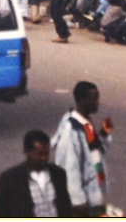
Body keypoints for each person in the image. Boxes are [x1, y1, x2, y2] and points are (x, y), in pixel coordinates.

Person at [50, 81, 113, 216]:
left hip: (92, 195)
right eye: (94, 98)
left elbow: (94, 152)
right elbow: (69, 169)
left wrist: (103, 133)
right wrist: (78, 202)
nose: (98, 102)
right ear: (82, 100)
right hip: (80, 203)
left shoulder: (86, 123)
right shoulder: (71, 131)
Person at [0, 129, 73, 218]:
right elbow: (1, 213)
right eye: (39, 154)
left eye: (46, 154)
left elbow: (65, 208)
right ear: (27, 152)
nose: (44, 158)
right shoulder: (9, 179)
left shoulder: (59, 174)